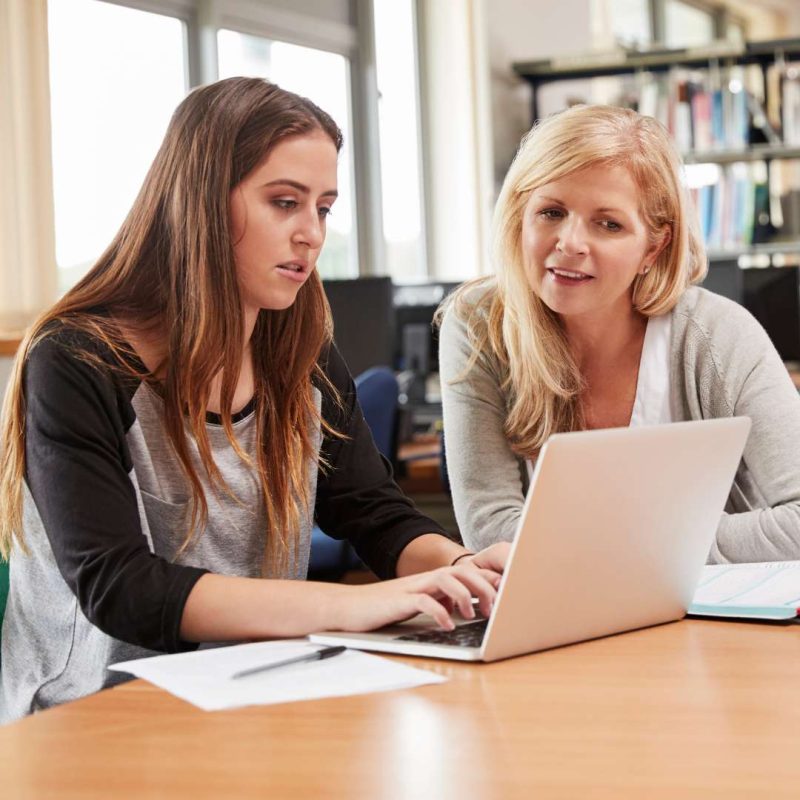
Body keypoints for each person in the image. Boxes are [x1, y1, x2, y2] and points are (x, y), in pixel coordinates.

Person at [0, 77, 508, 722]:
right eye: (284, 202)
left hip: (249, 691)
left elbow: (372, 513)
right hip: (88, 718)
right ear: (202, 202)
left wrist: (465, 570)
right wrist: (360, 607)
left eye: (322, 208)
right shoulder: (78, 360)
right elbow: (121, 590)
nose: (311, 234)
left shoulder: (300, 353)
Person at [438, 104, 800, 562]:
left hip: (715, 615)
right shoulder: (479, 323)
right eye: (550, 212)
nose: (569, 243)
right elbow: (490, 526)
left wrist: (633, 549)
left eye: (608, 224)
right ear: (519, 216)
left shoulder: (716, 335)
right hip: (565, 614)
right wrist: (651, 545)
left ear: (654, 245)